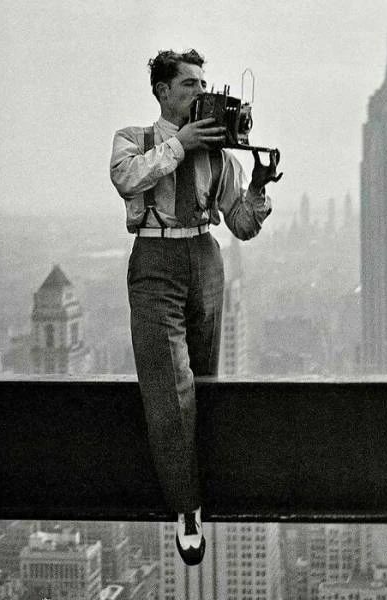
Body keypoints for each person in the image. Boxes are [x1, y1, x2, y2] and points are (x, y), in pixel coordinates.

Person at [110, 48, 282, 566]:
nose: (201, 93)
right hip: (155, 257)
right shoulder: (134, 139)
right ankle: (188, 507)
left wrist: (255, 185)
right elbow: (126, 179)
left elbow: (243, 226)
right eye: (189, 85)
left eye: (203, 83)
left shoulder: (219, 154)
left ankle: (201, 482)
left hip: (205, 257)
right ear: (163, 92)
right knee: (171, 387)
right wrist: (179, 146)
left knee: (204, 382)